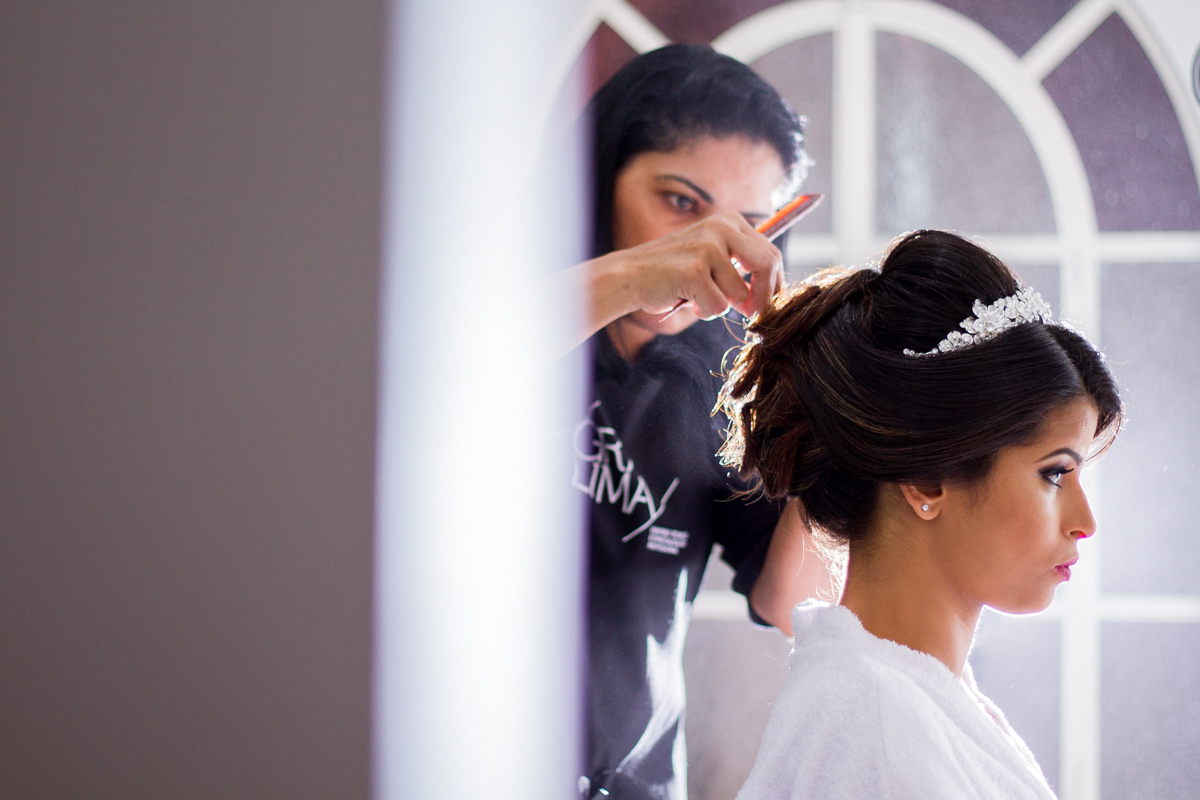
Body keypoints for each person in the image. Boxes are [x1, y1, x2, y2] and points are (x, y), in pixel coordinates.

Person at [717, 230, 1124, 799]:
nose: (1085, 521)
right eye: (1054, 473)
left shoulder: (912, 700)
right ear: (927, 480)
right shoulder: (876, 726)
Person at [552, 45, 833, 799]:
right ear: (596, 180)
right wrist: (627, 278)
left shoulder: (725, 386)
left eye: (748, 224)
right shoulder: (493, 304)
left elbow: (790, 602)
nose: (709, 248)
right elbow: (424, 378)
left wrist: (836, 429)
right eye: (681, 203)